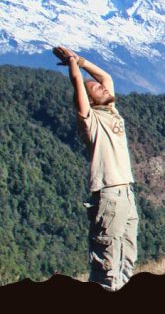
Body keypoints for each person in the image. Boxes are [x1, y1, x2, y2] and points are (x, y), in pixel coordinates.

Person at [52, 46, 139, 291]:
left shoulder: (111, 110)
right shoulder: (91, 121)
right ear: (89, 100)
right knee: (107, 257)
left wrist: (82, 61)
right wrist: (72, 66)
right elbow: (78, 86)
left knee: (127, 251)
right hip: (109, 193)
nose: (100, 87)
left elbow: (107, 78)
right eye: (95, 88)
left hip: (125, 193)